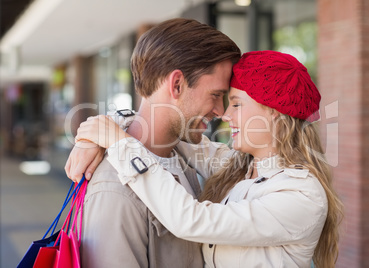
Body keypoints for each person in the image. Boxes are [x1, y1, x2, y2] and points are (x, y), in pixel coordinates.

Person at [69, 50, 343, 267]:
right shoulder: (240, 165)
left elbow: (191, 220)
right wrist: (102, 130)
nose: (225, 115)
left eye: (236, 104)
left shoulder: (300, 194)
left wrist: (116, 141)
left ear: (274, 113)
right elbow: (163, 130)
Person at [65, 17, 241, 267]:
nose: (221, 111)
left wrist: (107, 126)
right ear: (177, 84)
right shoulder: (115, 188)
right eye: (215, 95)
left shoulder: (182, 154)